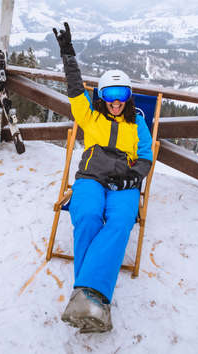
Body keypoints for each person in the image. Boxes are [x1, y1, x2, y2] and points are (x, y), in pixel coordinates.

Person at [52, 23, 153, 333]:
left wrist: (132, 178)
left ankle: (84, 297)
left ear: (128, 95)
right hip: (91, 177)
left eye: (121, 93)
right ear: (103, 96)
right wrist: (68, 55)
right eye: (110, 93)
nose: (115, 100)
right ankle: (94, 301)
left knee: (121, 222)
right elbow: (74, 90)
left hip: (124, 180)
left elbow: (146, 156)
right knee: (88, 216)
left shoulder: (137, 123)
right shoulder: (90, 115)